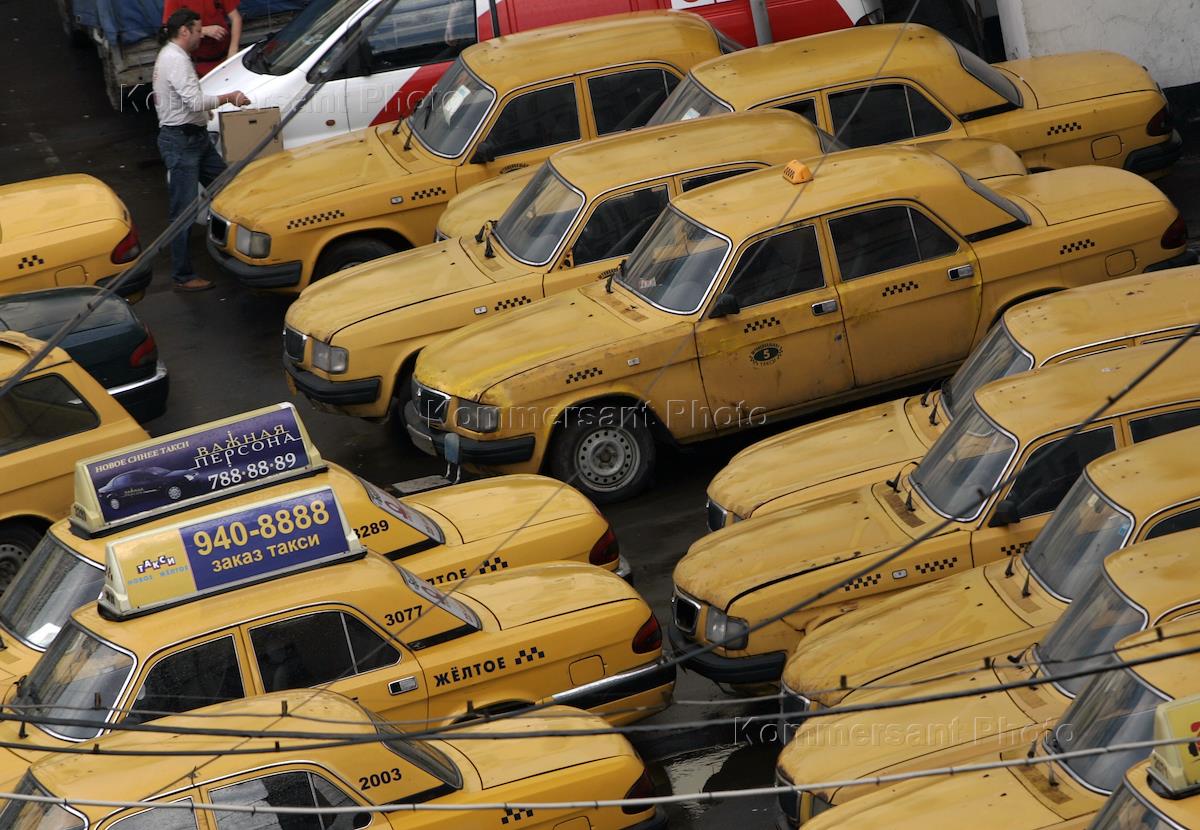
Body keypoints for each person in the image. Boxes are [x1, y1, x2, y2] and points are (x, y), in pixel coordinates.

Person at [154, 8, 250, 292]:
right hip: (182, 142)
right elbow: (195, 102)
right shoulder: (176, 60)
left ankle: (240, 246)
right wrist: (229, 97)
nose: (201, 35)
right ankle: (183, 275)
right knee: (183, 212)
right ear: (185, 31)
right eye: (198, 30)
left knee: (228, 189)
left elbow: (188, 103)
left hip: (193, 138)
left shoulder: (175, 56)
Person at [161, 0, 243, 76]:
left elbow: (236, 18)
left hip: (226, 55)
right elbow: (169, 30)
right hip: (200, 62)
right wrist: (203, 30)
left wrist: (233, 51)